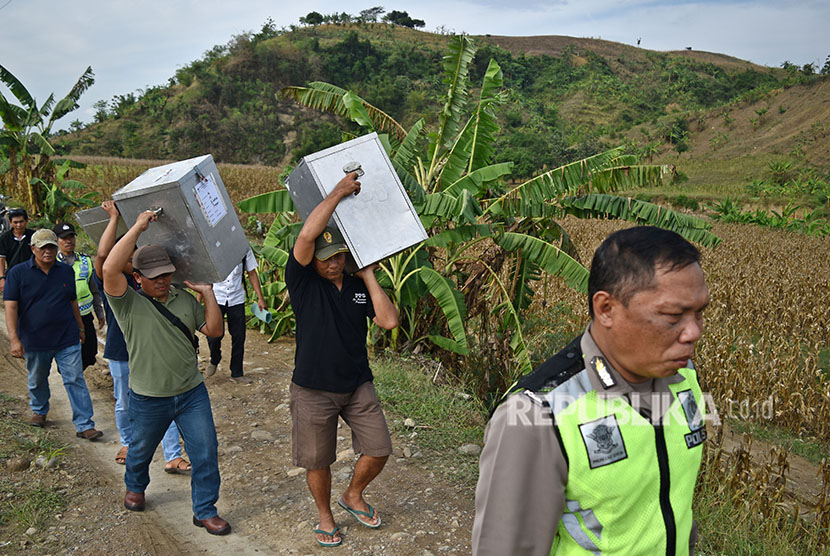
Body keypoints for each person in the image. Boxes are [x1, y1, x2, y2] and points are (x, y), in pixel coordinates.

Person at [472, 226, 711, 556]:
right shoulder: (535, 416)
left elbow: (673, 507)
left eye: (699, 313)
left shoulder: (685, 378)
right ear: (606, 309)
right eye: (672, 315)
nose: (693, 332)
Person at [285, 172, 399, 548]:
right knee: (318, 460)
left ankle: (353, 494)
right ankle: (325, 515)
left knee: (379, 448)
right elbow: (304, 237)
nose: (331, 264)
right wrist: (338, 192)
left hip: (356, 385)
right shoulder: (303, 283)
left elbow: (389, 320)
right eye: (324, 258)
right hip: (313, 388)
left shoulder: (356, 287)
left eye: (337, 256)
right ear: (313, 260)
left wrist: (367, 275)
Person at [102, 210, 229, 535]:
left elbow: (214, 331)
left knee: (205, 452)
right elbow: (109, 267)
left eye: (166, 273)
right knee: (141, 450)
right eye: (153, 274)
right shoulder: (126, 303)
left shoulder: (185, 300)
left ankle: (204, 510)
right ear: (138, 277)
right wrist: (138, 227)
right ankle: (135, 485)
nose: (161, 279)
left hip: (191, 393)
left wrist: (208, 293)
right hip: (148, 397)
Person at [93, 201, 191, 473]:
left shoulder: (152, 283)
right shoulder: (112, 283)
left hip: (153, 354)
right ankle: (127, 442)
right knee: (124, 402)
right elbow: (102, 257)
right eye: (125, 256)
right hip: (121, 351)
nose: (129, 259)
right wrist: (116, 219)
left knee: (165, 402)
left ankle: (172, 455)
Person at [3, 228, 102, 439]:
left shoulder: (66, 271)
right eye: (42, 247)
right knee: (37, 378)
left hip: (67, 337)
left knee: (75, 379)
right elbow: (10, 306)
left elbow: (72, 301)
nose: (47, 251)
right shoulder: (18, 273)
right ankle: (39, 410)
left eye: (50, 247)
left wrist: (81, 327)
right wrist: (14, 339)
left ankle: (85, 424)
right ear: (33, 249)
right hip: (35, 339)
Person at [205, 246, 267, 383]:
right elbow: (207, 276)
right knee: (213, 335)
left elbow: (252, 273)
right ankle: (215, 358)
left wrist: (260, 298)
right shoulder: (213, 247)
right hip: (216, 298)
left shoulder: (243, 248)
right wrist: (198, 301)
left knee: (239, 336)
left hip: (236, 298)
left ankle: (237, 372)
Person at [53, 222, 106, 370]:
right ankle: (72, 383)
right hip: (63, 319)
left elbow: (94, 289)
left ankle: (77, 378)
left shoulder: (86, 260)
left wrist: (99, 312)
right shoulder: (51, 263)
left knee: (89, 354)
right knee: (68, 357)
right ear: (56, 240)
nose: (69, 241)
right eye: (64, 238)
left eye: (71, 237)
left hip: (85, 315)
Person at [0, 207, 35, 294]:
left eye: (21, 221)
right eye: (15, 222)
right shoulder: (5, 238)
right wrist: (2, 278)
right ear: (10, 222)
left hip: (32, 274)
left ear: (26, 221)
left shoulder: (34, 236)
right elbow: (1, 259)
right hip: (13, 275)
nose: (18, 225)